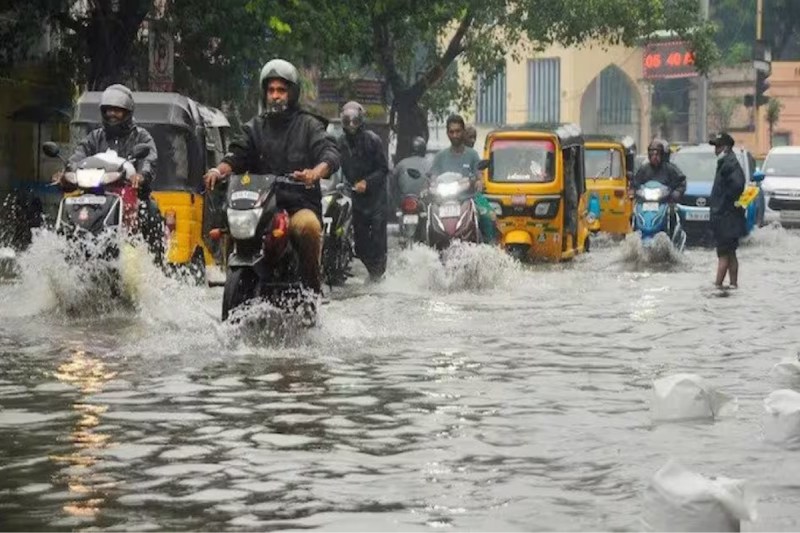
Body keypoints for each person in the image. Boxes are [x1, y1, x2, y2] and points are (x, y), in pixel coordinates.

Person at [204, 58, 340, 296]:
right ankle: (232, 275)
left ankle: (312, 289)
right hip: (260, 207)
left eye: (281, 90)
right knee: (232, 225)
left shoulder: (309, 125)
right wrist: (218, 170)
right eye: (271, 90)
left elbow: (329, 153)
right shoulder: (254, 127)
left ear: (292, 93)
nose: (275, 96)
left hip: (298, 205)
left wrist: (314, 173)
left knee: (308, 228)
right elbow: (236, 154)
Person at [54, 83, 164, 263]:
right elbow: (78, 156)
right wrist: (68, 172)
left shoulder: (141, 136)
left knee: (150, 211)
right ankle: (62, 253)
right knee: (71, 208)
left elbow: (149, 159)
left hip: (132, 194)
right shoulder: (95, 137)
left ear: (127, 112)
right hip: (94, 194)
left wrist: (141, 175)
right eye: (108, 110)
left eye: (117, 110)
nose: (112, 114)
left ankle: (155, 264)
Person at [337, 101, 389, 282]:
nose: (351, 125)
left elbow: (383, 169)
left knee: (378, 239)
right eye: (347, 121)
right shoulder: (340, 143)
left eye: (355, 121)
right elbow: (333, 164)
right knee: (359, 245)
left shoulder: (373, 140)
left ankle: (379, 275)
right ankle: (373, 272)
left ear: (361, 121)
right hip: (356, 198)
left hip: (376, 199)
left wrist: (367, 182)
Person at [709, 132, 746, 289]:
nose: (715, 150)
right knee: (730, 253)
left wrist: (724, 204)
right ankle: (733, 285)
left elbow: (737, 186)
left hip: (726, 218)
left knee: (724, 254)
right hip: (727, 217)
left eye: (718, 146)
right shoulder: (726, 163)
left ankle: (718, 286)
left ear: (726, 148)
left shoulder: (729, 164)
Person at [631, 138, 687, 236]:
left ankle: (672, 235)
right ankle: (635, 232)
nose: (655, 157)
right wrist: (634, 191)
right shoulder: (644, 169)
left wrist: (676, 192)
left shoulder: (670, 168)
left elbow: (681, 181)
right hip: (645, 201)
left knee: (673, 213)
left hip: (664, 201)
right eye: (652, 154)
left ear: (662, 155)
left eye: (657, 154)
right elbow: (636, 182)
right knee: (632, 213)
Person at [390, 136, 431, 209]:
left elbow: (392, 181)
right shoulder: (429, 164)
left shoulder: (401, 164)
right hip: (422, 201)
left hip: (403, 201)